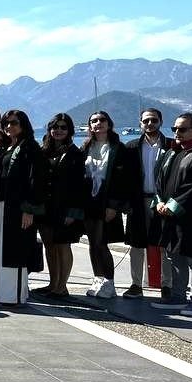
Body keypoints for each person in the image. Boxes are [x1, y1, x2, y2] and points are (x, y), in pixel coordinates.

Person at [150, 113, 192, 316]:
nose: (177, 133)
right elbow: (160, 181)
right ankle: (178, 296)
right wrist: (160, 202)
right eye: (174, 129)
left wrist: (173, 205)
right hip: (170, 216)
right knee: (173, 255)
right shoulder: (174, 153)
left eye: (182, 129)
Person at [0, 110, 46, 307]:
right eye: (6, 123)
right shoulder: (8, 147)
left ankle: (14, 296)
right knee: (3, 250)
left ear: (23, 124)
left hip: (18, 208)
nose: (9, 127)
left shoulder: (30, 148)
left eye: (14, 123)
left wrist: (29, 209)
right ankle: (3, 294)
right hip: (1, 207)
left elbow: (36, 181)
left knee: (16, 251)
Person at [119, 108, 170, 300]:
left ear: (161, 121)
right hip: (137, 202)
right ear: (140, 123)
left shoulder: (172, 146)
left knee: (164, 244)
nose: (150, 124)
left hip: (162, 202)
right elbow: (123, 177)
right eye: (146, 121)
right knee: (136, 245)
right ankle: (135, 284)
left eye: (154, 120)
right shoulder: (131, 147)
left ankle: (167, 285)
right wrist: (125, 203)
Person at [36, 114, 86, 299]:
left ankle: (62, 286)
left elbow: (79, 186)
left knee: (63, 246)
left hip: (66, 209)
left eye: (63, 127)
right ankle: (52, 283)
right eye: (55, 127)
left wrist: (74, 212)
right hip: (46, 208)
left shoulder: (75, 154)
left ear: (70, 131)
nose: (58, 130)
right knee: (49, 246)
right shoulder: (44, 152)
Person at [79, 111, 124, 299]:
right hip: (89, 201)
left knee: (102, 241)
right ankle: (97, 278)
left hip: (106, 202)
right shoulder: (86, 147)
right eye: (94, 121)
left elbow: (122, 180)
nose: (98, 123)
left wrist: (114, 205)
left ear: (109, 123)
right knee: (92, 243)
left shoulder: (118, 148)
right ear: (90, 126)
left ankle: (109, 283)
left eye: (102, 120)